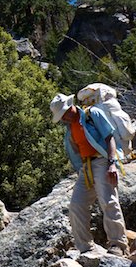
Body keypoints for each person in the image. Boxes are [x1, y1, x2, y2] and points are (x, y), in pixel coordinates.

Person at [49, 93, 130, 257]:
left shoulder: (92, 114)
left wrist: (112, 163)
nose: (64, 118)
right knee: (76, 205)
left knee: (108, 200)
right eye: (62, 116)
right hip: (86, 167)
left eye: (65, 113)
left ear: (71, 106)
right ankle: (85, 247)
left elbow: (109, 137)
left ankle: (118, 244)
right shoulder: (70, 129)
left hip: (102, 160)